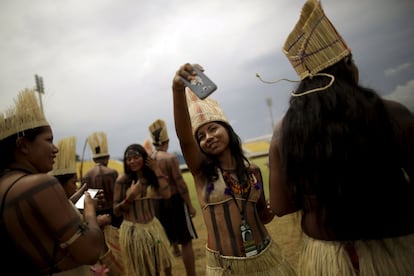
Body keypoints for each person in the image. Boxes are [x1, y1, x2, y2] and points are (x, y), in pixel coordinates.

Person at [268, 0, 414, 275]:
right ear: (347, 64)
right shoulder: (393, 114)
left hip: (326, 259)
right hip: (398, 251)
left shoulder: (283, 132)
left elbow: (280, 206)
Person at [172, 67, 297, 275]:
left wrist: (271, 206)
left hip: (266, 260)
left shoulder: (253, 171)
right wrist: (177, 90)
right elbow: (184, 139)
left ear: (227, 130)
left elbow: (263, 216)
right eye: (201, 136)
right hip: (225, 267)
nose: (208, 137)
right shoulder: (202, 172)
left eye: (213, 129)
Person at [0, 89, 104, 275]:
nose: (55, 149)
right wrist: (89, 210)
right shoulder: (40, 184)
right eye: (49, 140)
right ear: (23, 145)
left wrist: (70, 204)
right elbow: (90, 251)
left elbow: (35, 228)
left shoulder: (6, 186)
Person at [49, 136, 123, 276]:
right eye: (74, 183)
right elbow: (80, 241)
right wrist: (92, 215)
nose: (77, 188)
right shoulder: (55, 209)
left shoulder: (65, 204)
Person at [113, 143, 175, 276]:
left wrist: (157, 169)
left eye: (136, 157)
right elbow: (116, 211)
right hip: (134, 232)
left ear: (144, 158)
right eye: (129, 159)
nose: (132, 161)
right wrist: (130, 197)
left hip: (153, 230)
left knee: (156, 267)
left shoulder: (151, 178)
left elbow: (167, 194)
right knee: (143, 271)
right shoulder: (122, 180)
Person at [149, 118, 198, 276]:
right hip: (175, 201)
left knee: (163, 242)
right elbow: (180, 184)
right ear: (167, 140)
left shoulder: (149, 158)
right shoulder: (169, 158)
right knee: (186, 242)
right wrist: (190, 205)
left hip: (157, 204)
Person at [82, 131, 120, 228]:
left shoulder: (86, 176)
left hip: (96, 216)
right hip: (114, 215)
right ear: (108, 157)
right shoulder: (112, 172)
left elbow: (84, 201)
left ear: (94, 159)